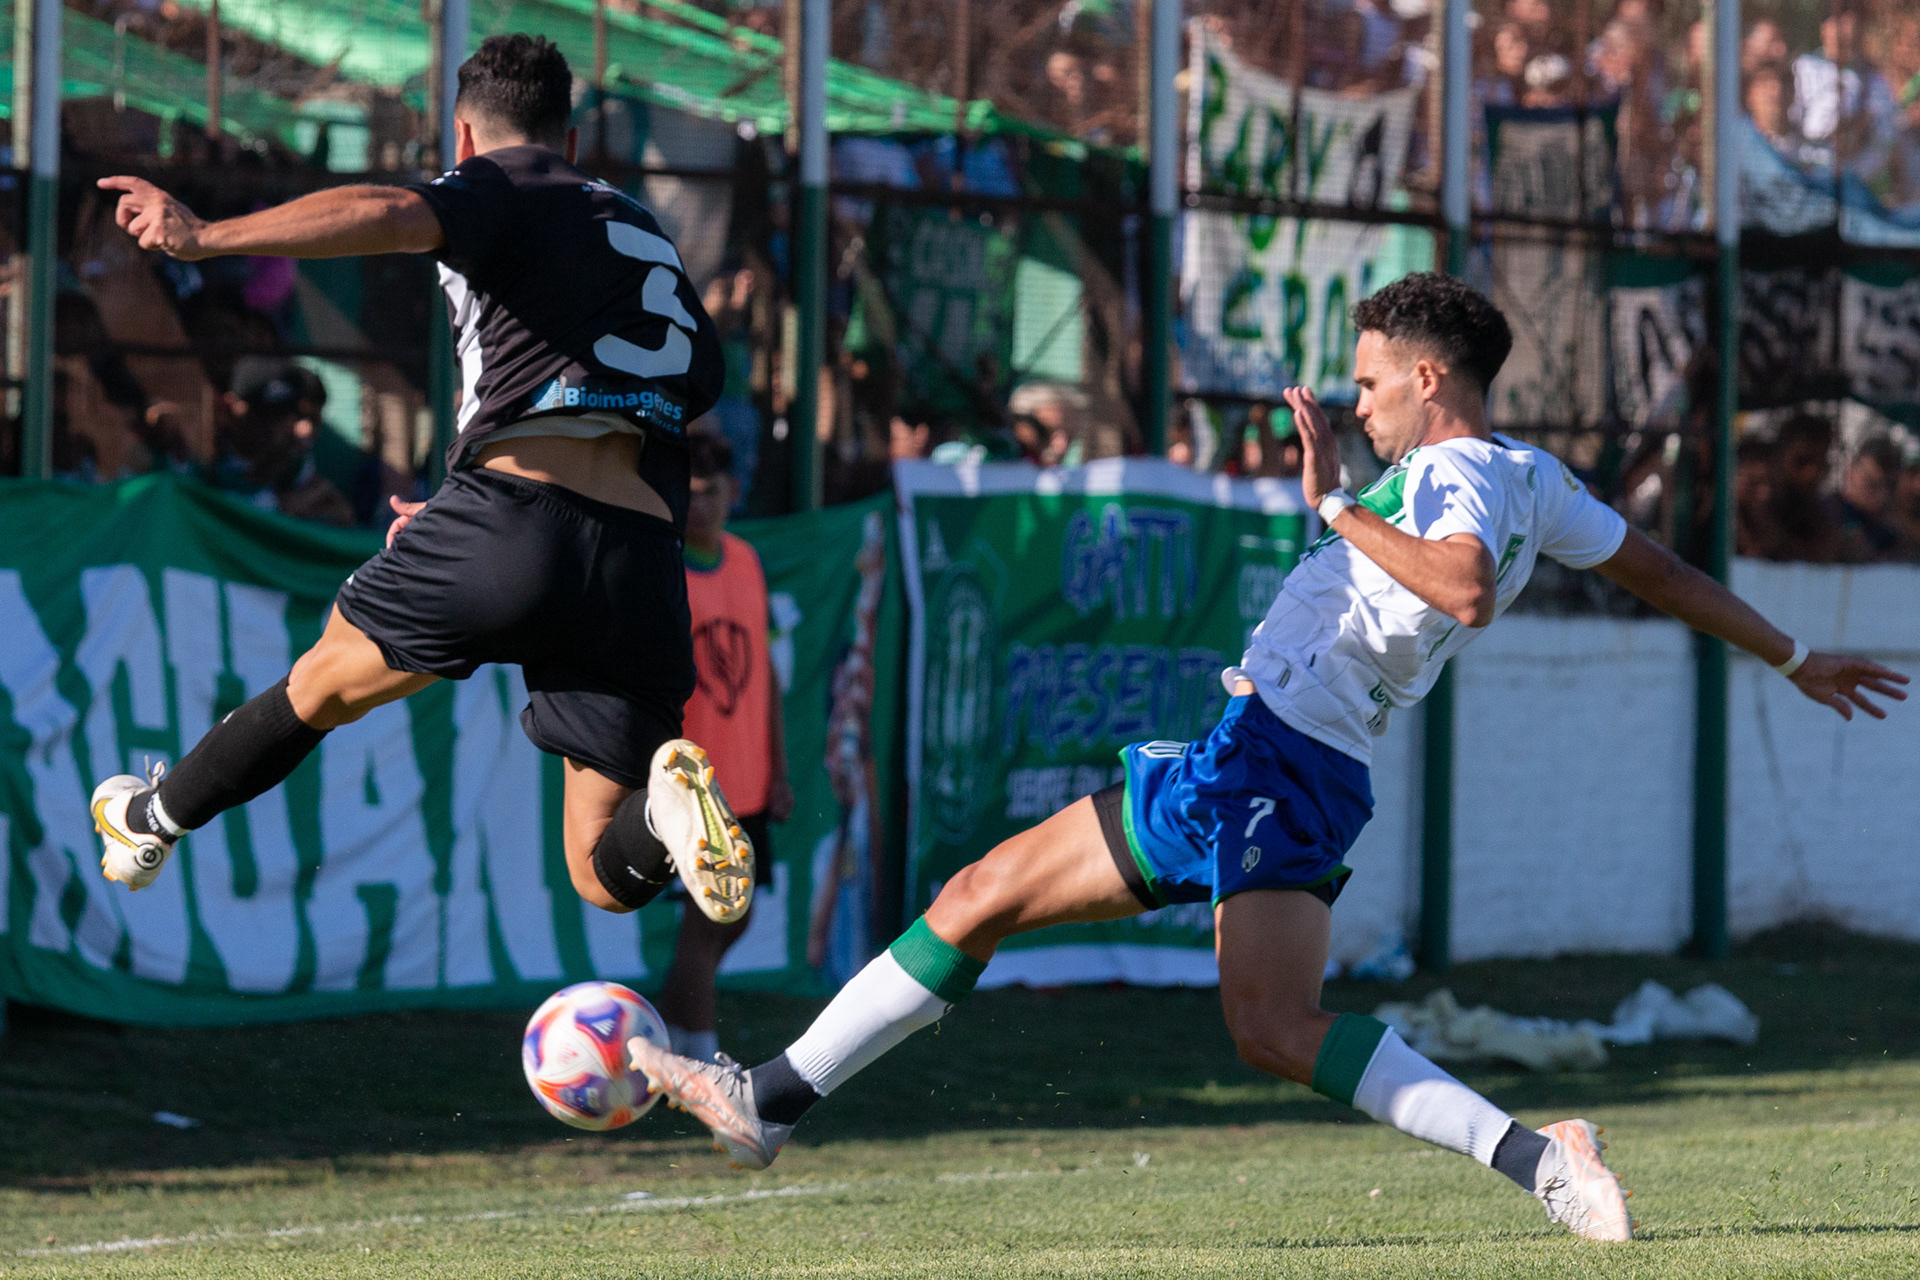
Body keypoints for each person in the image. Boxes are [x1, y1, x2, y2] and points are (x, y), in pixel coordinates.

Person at [629, 274, 1908, 1241]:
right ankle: (1543, 1155)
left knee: (1113, 957)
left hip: (1274, 757)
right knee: (1152, 974)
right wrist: (1793, 656)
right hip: (1287, 761)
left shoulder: (1458, 472)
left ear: (1426, 376)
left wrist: (1335, 500)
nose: (1356, 402)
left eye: (1368, 382)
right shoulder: (1531, 472)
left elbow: (1462, 588)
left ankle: (769, 1098)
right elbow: (1658, 566)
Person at [86, 35, 756, 934]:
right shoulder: (645, 236)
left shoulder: (504, 185)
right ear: (571, 133)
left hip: (514, 522)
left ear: (465, 139)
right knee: (602, 868)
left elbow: (385, 208)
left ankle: (150, 821)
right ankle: (667, 817)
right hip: (636, 560)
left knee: (320, 683)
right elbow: (680, 386)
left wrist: (204, 237)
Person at [654, 433, 794, 1063]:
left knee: (734, 918)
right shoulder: (662, 571)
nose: (700, 506)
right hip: (694, 782)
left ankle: (666, 1030)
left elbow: (764, 673)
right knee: (706, 918)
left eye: (711, 493)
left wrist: (780, 771)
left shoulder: (747, 561)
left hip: (750, 778)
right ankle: (700, 1056)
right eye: (688, 495)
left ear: (733, 493)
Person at [212, 364, 355, 526]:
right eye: (263, 417)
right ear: (232, 406)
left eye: (283, 416)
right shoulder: (212, 458)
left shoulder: (287, 461)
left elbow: (341, 511)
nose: (274, 428)